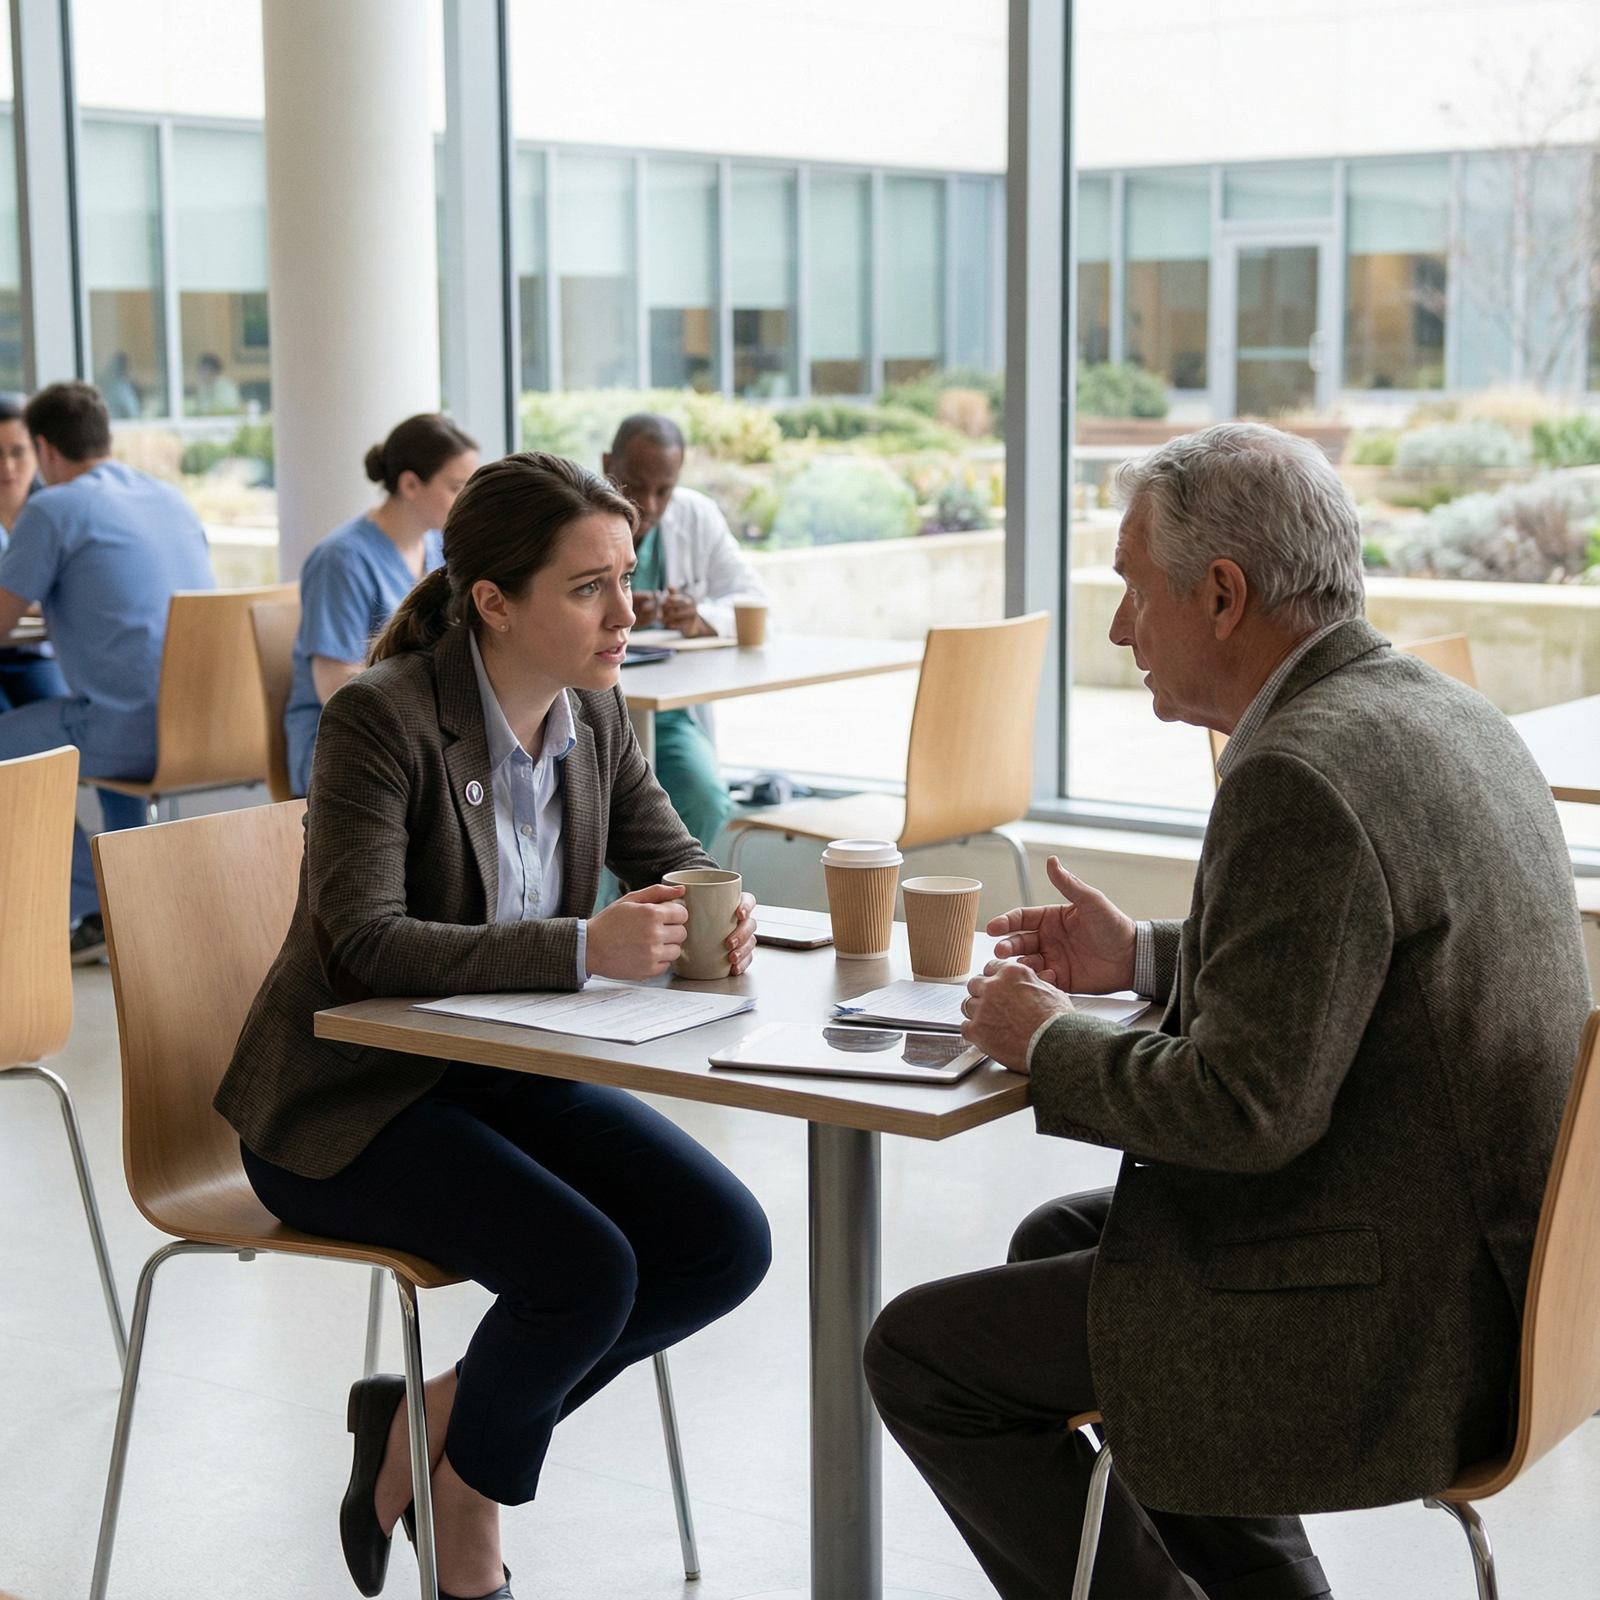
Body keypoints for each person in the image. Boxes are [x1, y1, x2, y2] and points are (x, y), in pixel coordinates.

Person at [864, 423, 1590, 1600]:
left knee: (921, 1355)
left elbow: (1245, 1111)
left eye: (1129, 590)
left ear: (1220, 594)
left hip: (1411, 1330)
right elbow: (1368, 956)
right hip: (1507, 1280)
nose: (1115, 628)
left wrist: (1043, 1035)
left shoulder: (1296, 772)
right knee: (1063, 1238)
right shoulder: (1438, 710)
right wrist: (1145, 959)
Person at [214, 451, 772, 1600]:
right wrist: (582, 948)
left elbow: (668, 852)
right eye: (588, 588)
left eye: (626, 578)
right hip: (347, 1101)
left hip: (497, 1077)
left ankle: (428, 1432)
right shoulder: (382, 719)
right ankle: (465, 1521)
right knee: (585, 1270)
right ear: (493, 601)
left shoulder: (596, 711)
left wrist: (720, 896)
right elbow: (366, 941)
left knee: (722, 1242)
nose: (626, 612)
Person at [0, 381, 214, 964]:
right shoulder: (169, 498)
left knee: (17, 741)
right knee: (88, 710)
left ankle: (114, 894)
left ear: (44, 449)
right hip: (209, 725)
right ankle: (114, 911)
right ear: (106, 438)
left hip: (132, 732)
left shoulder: (52, 508)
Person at [284, 414, 479, 797]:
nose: (467, 500)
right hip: (347, 738)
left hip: (417, 729)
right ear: (410, 484)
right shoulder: (341, 560)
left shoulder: (441, 551)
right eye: (457, 487)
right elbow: (336, 686)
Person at [601, 412, 766, 855]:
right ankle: (601, 916)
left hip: (668, 713)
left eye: (664, 490)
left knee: (705, 799)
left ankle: (661, 905)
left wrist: (699, 617)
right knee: (590, 820)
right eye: (636, 486)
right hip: (589, 704)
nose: (651, 506)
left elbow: (753, 600)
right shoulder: (581, 521)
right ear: (605, 466)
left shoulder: (695, 516)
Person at [0, 394, 69, 712]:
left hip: (33, 655)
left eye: (18, 452)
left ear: (39, 452)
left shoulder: (55, 512)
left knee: (56, 722)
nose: (7, 467)